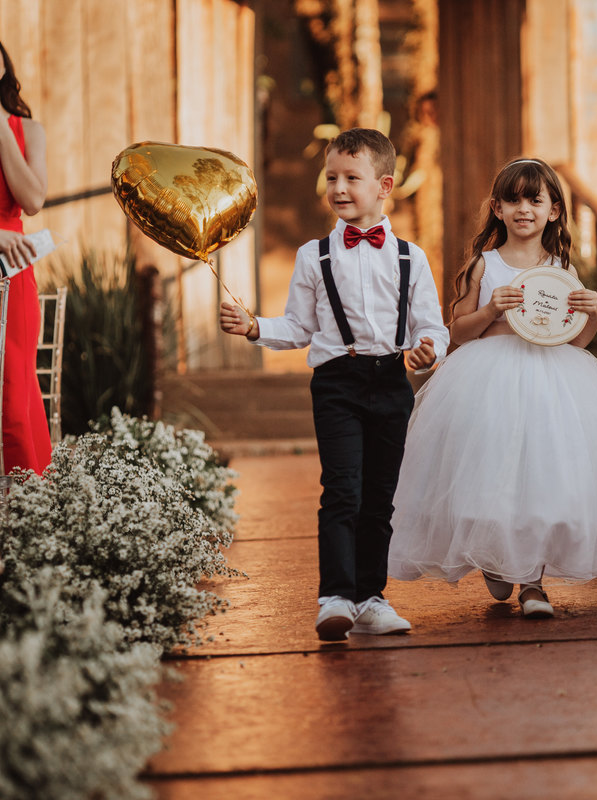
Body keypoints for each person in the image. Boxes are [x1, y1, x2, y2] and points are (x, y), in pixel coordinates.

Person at [386, 158, 597, 619]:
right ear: (497, 208)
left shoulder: (560, 268)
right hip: (489, 378)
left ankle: (532, 582)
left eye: (535, 199)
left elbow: (575, 339)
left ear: (553, 212)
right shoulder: (483, 266)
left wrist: (595, 314)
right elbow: (458, 331)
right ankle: (495, 554)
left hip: (552, 379)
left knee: (542, 478)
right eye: (513, 200)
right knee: (490, 474)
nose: (523, 208)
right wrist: (490, 310)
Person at [219, 128, 448, 641]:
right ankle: (335, 597)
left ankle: (371, 598)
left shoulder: (411, 258)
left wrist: (428, 348)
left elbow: (431, 325)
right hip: (337, 382)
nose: (338, 188)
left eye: (351, 178)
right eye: (331, 178)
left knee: (380, 497)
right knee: (342, 488)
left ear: (384, 185)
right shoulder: (313, 256)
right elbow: (299, 328)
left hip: (392, 381)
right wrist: (256, 326)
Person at [0, 30, 50, 476]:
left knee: (14, 398)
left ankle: (29, 517)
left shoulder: (28, 129)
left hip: (11, 273)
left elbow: (31, 200)